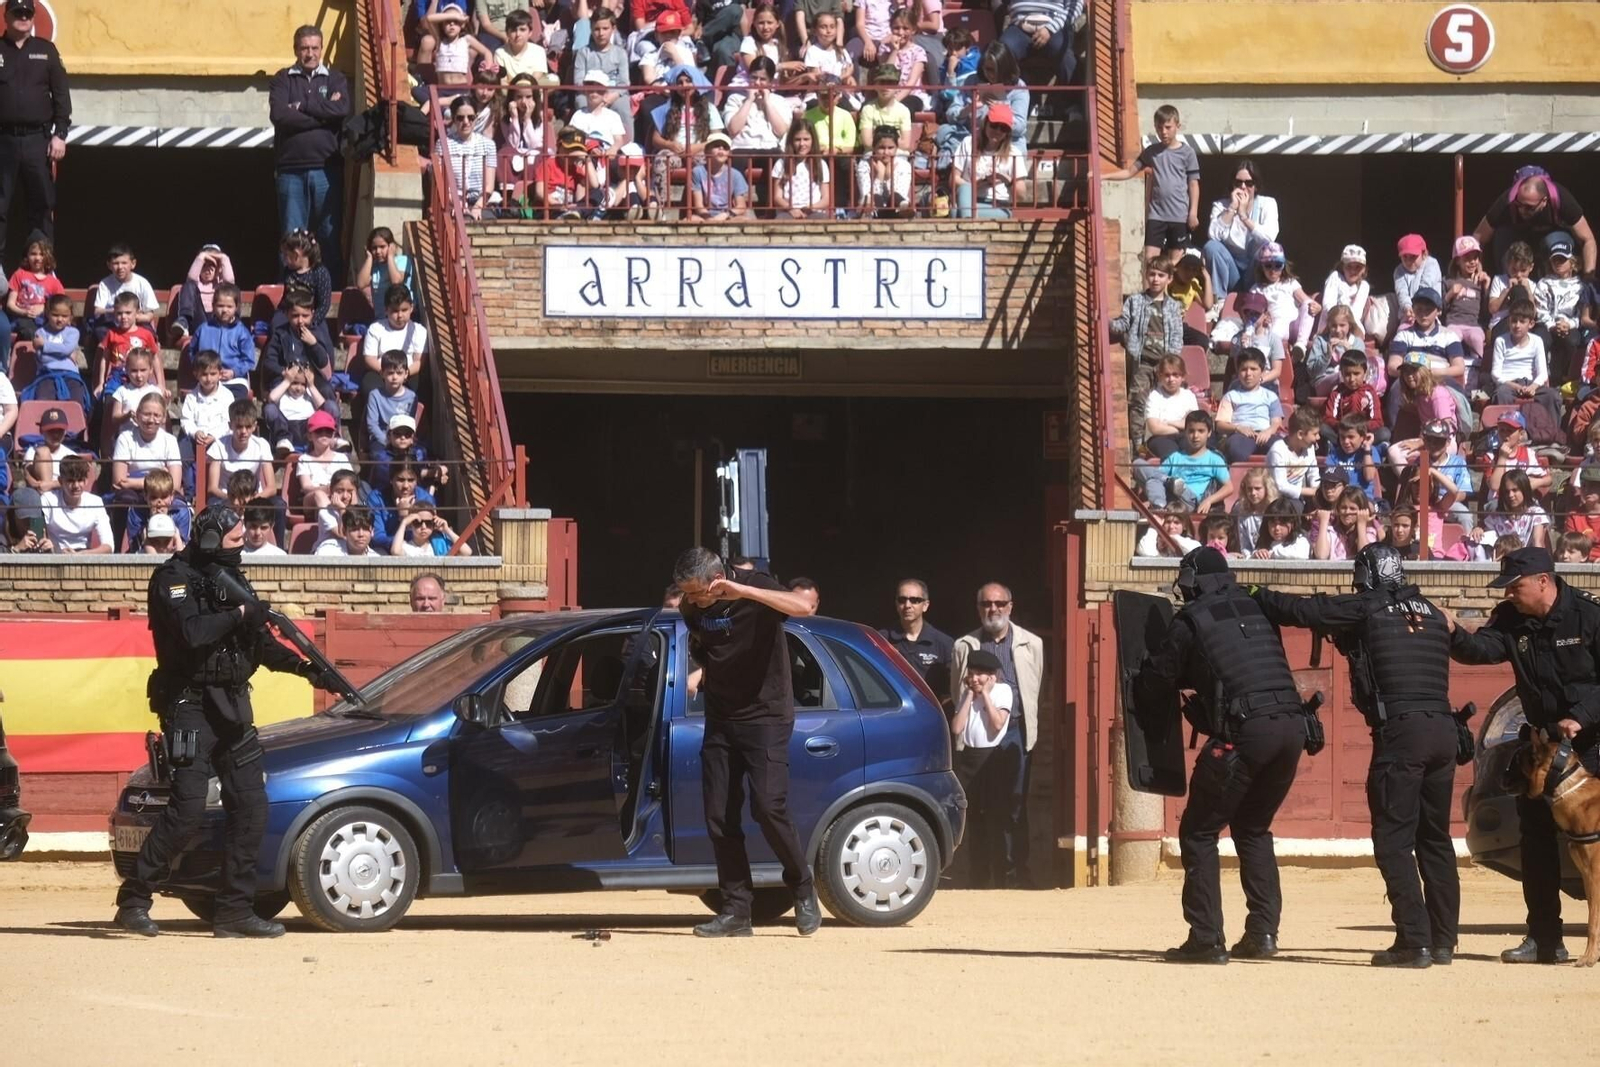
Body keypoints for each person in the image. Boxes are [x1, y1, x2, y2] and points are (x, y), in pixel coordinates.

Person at [112, 505, 339, 938]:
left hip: (231, 707)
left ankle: (235, 910)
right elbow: (193, 633)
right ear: (212, 540)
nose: (241, 548)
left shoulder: (232, 579)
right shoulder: (173, 578)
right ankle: (134, 900)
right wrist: (239, 614)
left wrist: (307, 669)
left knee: (251, 806)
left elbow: (259, 645)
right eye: (235, 540)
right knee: (188, 809)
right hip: (189, 706)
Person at [1251, 545, 1458, 967]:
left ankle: (1414, 941)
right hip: (1444, 731)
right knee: (1434, 839)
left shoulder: (1367, 607)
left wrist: (1258, 593)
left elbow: (1305, 611)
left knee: (1393, 840)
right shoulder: (1434, 614)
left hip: (1401, 734)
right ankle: (1441, 941)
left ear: (1367, 575)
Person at [1132, 546, 1312, 963]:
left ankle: (1206, 939)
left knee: (1198, 832)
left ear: (1192, 582)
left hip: (1246, 733)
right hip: (1292, 729)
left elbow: (1157, 679)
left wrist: (1140, 681)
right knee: (1253, 829)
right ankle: (1262, 935)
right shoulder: (1257, 608)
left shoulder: (1191, 620)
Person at [1448, 546, 1600, 964]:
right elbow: (1480, 650)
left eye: (1515, 586)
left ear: (1543, 581)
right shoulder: (1511, 619)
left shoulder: (1589, 616)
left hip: (1593, 742)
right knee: (1535, 838)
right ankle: (1545, 939)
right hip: (1544, 748)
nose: (1509, 594)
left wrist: (1582, 716)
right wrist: (1452, 632)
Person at [672, 546, 821, 937]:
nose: (691, 601)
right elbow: (708, 649)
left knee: (768, 807)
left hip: (766, 716)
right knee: (719, 816)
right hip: (721, 718)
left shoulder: (756, 587)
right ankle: (737, 911)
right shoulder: (691, 607)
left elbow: (804, 607)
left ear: (718, 580)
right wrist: (701, 672)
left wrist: (744, 593)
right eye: (686, 594)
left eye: (697, 592)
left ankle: (802, 886)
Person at [949, 582, 1044, 888]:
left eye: (1000, 603)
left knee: (1014, 804)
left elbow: (1034, 689)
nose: (994, 609)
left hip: (1014, 732)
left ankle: (1016, 874)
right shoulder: (964, 645)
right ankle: (980, 876)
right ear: (978, 608)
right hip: (978, 736)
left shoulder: (1032, 644)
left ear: (1010, 606)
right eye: (987, 604)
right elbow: (957, 690)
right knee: (977, 805)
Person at [269, 25, 349, 281]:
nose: (310, 53)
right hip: (290, 171)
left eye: (315, 48)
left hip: (327, 169)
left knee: (328, 234)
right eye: (305, 48)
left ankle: (330, 290)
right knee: (292, 237)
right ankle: (291, 289)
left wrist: (302, 106)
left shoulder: (336, 78)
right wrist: (323, 114)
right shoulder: (282, 79)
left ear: (322, 48)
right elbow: (279, 115)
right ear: (296, 49)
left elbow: (342, 110)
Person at [0, 0, 68, 265]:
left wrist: (60, 133)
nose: (24, 17)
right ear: (6, 17)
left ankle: (43, 268)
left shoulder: (46, 51)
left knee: (41, 205)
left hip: (37, 140)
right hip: (3, 140)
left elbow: (61, 95)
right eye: (18, 13)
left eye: (28, 13)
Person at [1104, 105, 1200, 260]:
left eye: (1168, 127)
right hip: (1157, 215)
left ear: (1178, 126)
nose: (1164, 132)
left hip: (1179, 216)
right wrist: (1102, 176)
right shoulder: (1151, 152)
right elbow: (1129, 172)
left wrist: (1193, 213)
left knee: (1175, 261)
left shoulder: (1187, 153)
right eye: (1159, 128)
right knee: (1150, 259)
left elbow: (1193, 184)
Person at [950, 649, 1012, 886]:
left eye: (979, 675)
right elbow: (957, 728)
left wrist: (985, 694)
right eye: (971, 674)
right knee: (973, 819)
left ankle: (1000, 876)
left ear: (991, 676)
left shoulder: (1003, 691)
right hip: (969, 757)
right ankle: (978, 877)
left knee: (995, 819)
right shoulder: (967, 694)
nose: (974, 679)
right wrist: (968, 697)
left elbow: (997, 724)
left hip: (992, 758)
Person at [1471, 166, 1597, 278]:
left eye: (1529, 207)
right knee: (1502, 236)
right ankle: (1508, 285)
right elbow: (1477, 238)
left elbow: (1588, 239)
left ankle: (1556, 286)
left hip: (1550, 239)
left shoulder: (1562, 199)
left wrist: (1589, 278)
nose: (1522, 210)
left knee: (1553, 240)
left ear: (1544, 201)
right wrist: (1476, 270)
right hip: (1518, 239)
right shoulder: (1507, 202)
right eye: (1519, 205)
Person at [1203, 159, 1279, 295]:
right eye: (1238, 183)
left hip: (1255, 271)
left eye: (1249, 183)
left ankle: (1262, 298)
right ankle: (1219, 299)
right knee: (1211, 247)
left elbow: (1269, 238)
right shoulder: (1221, 205)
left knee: (1269, 249)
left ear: (1256, 186)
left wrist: (1244, 216)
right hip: (1231, 270)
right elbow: (1213, 235)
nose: (1243, 187)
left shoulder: (1268, 203)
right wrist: (1232, 208)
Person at [879, 578, 953, 700]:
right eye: (902, 600)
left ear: (925, 605)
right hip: (893, 708)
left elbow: (954, 688)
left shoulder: (944, 643)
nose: (907, 605)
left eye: (914, 600)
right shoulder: (881, 640)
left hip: (931, 709)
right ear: (896, 604)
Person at [997, 0, 1083, 86]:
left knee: (1062, 52)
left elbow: (1076, 5)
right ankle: (1005, 92)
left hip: (1054, 25)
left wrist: (1050, 28)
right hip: (1019, 26)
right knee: (1002, 52)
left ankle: (1073, 92)